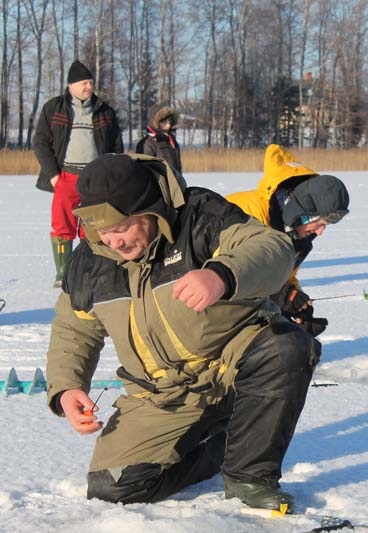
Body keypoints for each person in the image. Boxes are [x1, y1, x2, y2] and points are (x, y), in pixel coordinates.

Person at [45, 153, 320, 513]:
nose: (113, 241)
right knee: (112, 486)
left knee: (285, 347)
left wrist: (222, 274)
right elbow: (73, 327)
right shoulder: (89, 261)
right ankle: (221, 446)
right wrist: (67, 386)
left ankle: (249, 477)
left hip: (230, 364)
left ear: (150, 210)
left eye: (121, 228)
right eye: (103, 231)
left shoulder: (199, 214)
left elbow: (271, 248)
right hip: (162, 393)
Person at [227, 144, 350, 337]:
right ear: (302, 214)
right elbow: (231, 275)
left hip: (245, 305)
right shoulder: (249, 213)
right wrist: (285, 297)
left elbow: (283, 276)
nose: (320, 233)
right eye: (319, 224)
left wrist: (296, 303)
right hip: (205, 305)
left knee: (302, 349)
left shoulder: (297, 235)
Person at [33, 60, 124, 287]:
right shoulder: (54, 108)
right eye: (84, 83)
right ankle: (63, 273)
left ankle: (87, 269)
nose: (89, 87)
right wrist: (54, 175)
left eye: (91, 83)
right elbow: (41, 142)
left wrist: (110, 174)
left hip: (95, 178)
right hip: (65, 176)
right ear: (71, 85)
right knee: (62, 225)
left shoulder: (104, 111)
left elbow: (116, 145)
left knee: (92, 224)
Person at [135, 106, 182, 173]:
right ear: (156, 122)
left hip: (174, 181)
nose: (168, 125)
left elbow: (178, 168)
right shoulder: (147, 143)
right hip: (158, 182)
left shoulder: (171, 140)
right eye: (164, 122)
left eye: (170, 122)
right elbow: (145, 171)